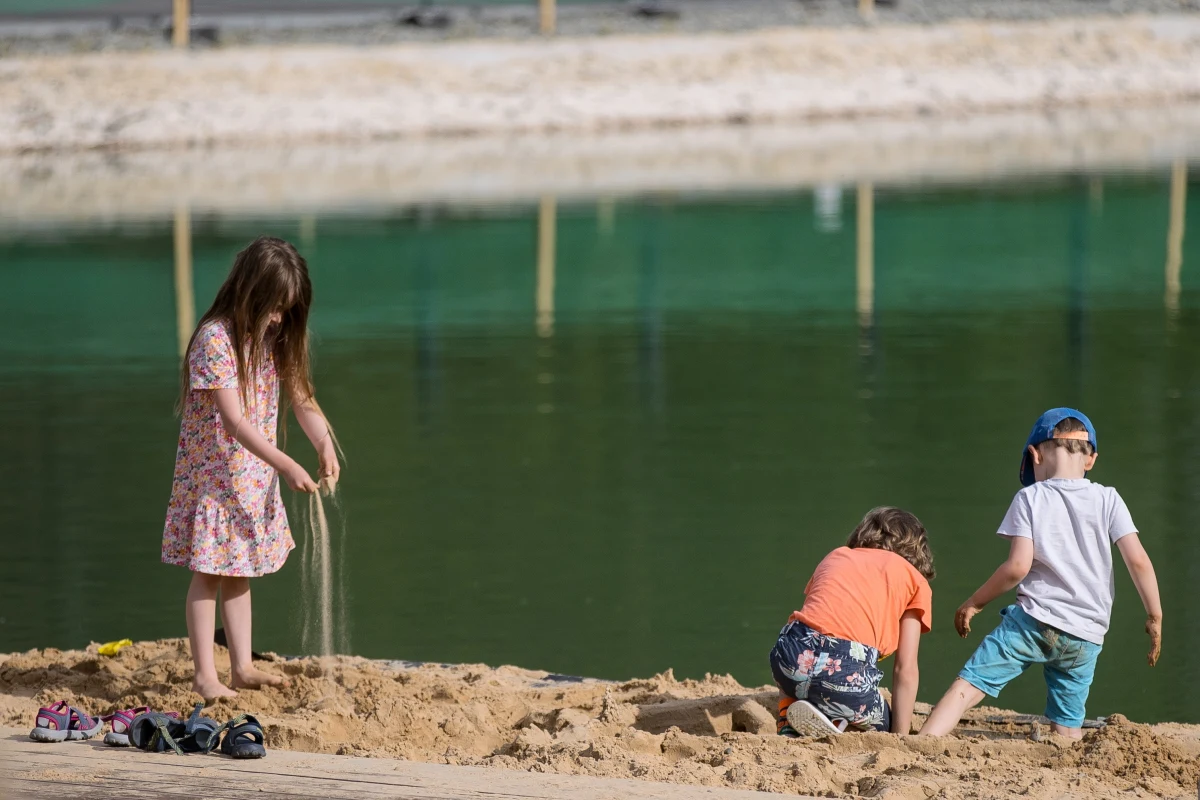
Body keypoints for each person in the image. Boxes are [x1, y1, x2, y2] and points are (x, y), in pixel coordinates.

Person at [162, 236, 342, 699]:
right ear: (250, 293)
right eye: (274, 307)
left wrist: (323, 444)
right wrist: (286, 464)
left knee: (238, 572)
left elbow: (301, 399)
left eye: (287, 309)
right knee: (207, 574)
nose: (280, 318)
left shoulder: (274, 338)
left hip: (249, 478)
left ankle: (241, 665)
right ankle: (205, 673)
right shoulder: (215, 339)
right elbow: (234, 420)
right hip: (215, 479)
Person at [920, 408, 1162, 739]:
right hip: (1085, 634)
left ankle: (923, 742)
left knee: (969, 685)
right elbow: (1139, 562)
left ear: (1035, 454)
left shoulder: (1031, 498)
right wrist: (1154, 614)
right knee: (1067, 723)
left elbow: (1017, 567)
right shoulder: (1109, 499)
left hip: (1035, 621)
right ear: (1091, 459)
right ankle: (1067, 751)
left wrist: (974, 603)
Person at [769, 507, 934, 737]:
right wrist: (900, 736)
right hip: (844, 671)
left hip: (789, 654)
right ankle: (836, 723)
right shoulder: (915, 581)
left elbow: (813, 618)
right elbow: (905, 669)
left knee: (799, 649)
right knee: (883, 720)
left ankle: (788, 718)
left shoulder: (836, 555)